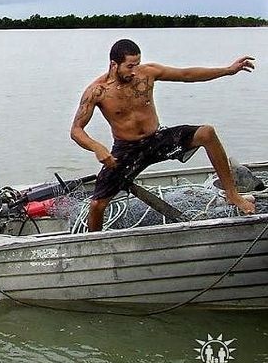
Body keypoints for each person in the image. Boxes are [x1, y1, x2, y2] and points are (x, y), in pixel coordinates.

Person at [70, 39, 256, 232]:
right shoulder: (97, 91)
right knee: (97, 205)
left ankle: (232, 194)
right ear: (113, 65)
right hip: (127, 149)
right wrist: (97, 147)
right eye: (129, 66)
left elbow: (187, 74)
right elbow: (76, 130)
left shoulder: (148, 73)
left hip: (157, 139)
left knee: (206, 133)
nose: (134, 71)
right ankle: (95, 242)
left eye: (137, 64)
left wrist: (228, 70)